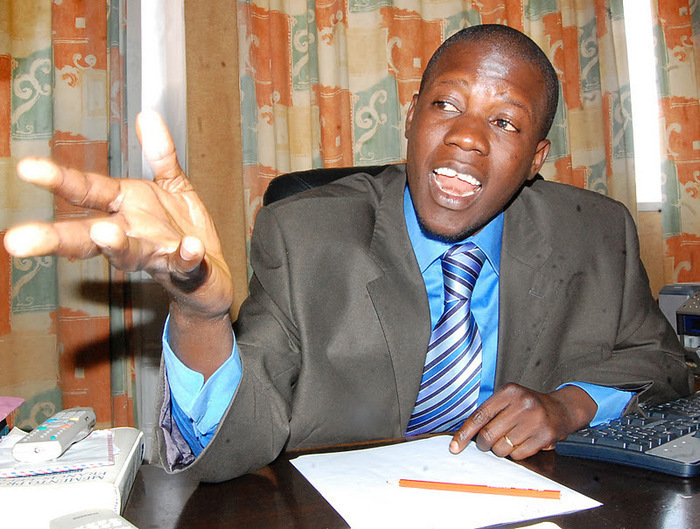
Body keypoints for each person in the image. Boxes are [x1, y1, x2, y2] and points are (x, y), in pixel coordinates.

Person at [4, 25, 692, 483]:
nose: (467, 138)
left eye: (505, 121)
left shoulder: (595, 232)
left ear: (537, 158)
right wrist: (198, 313)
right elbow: (229, 450)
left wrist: (571, 404)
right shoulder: (303, 235)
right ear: (410, 117)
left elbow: (664, 362)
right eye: (446, 105)